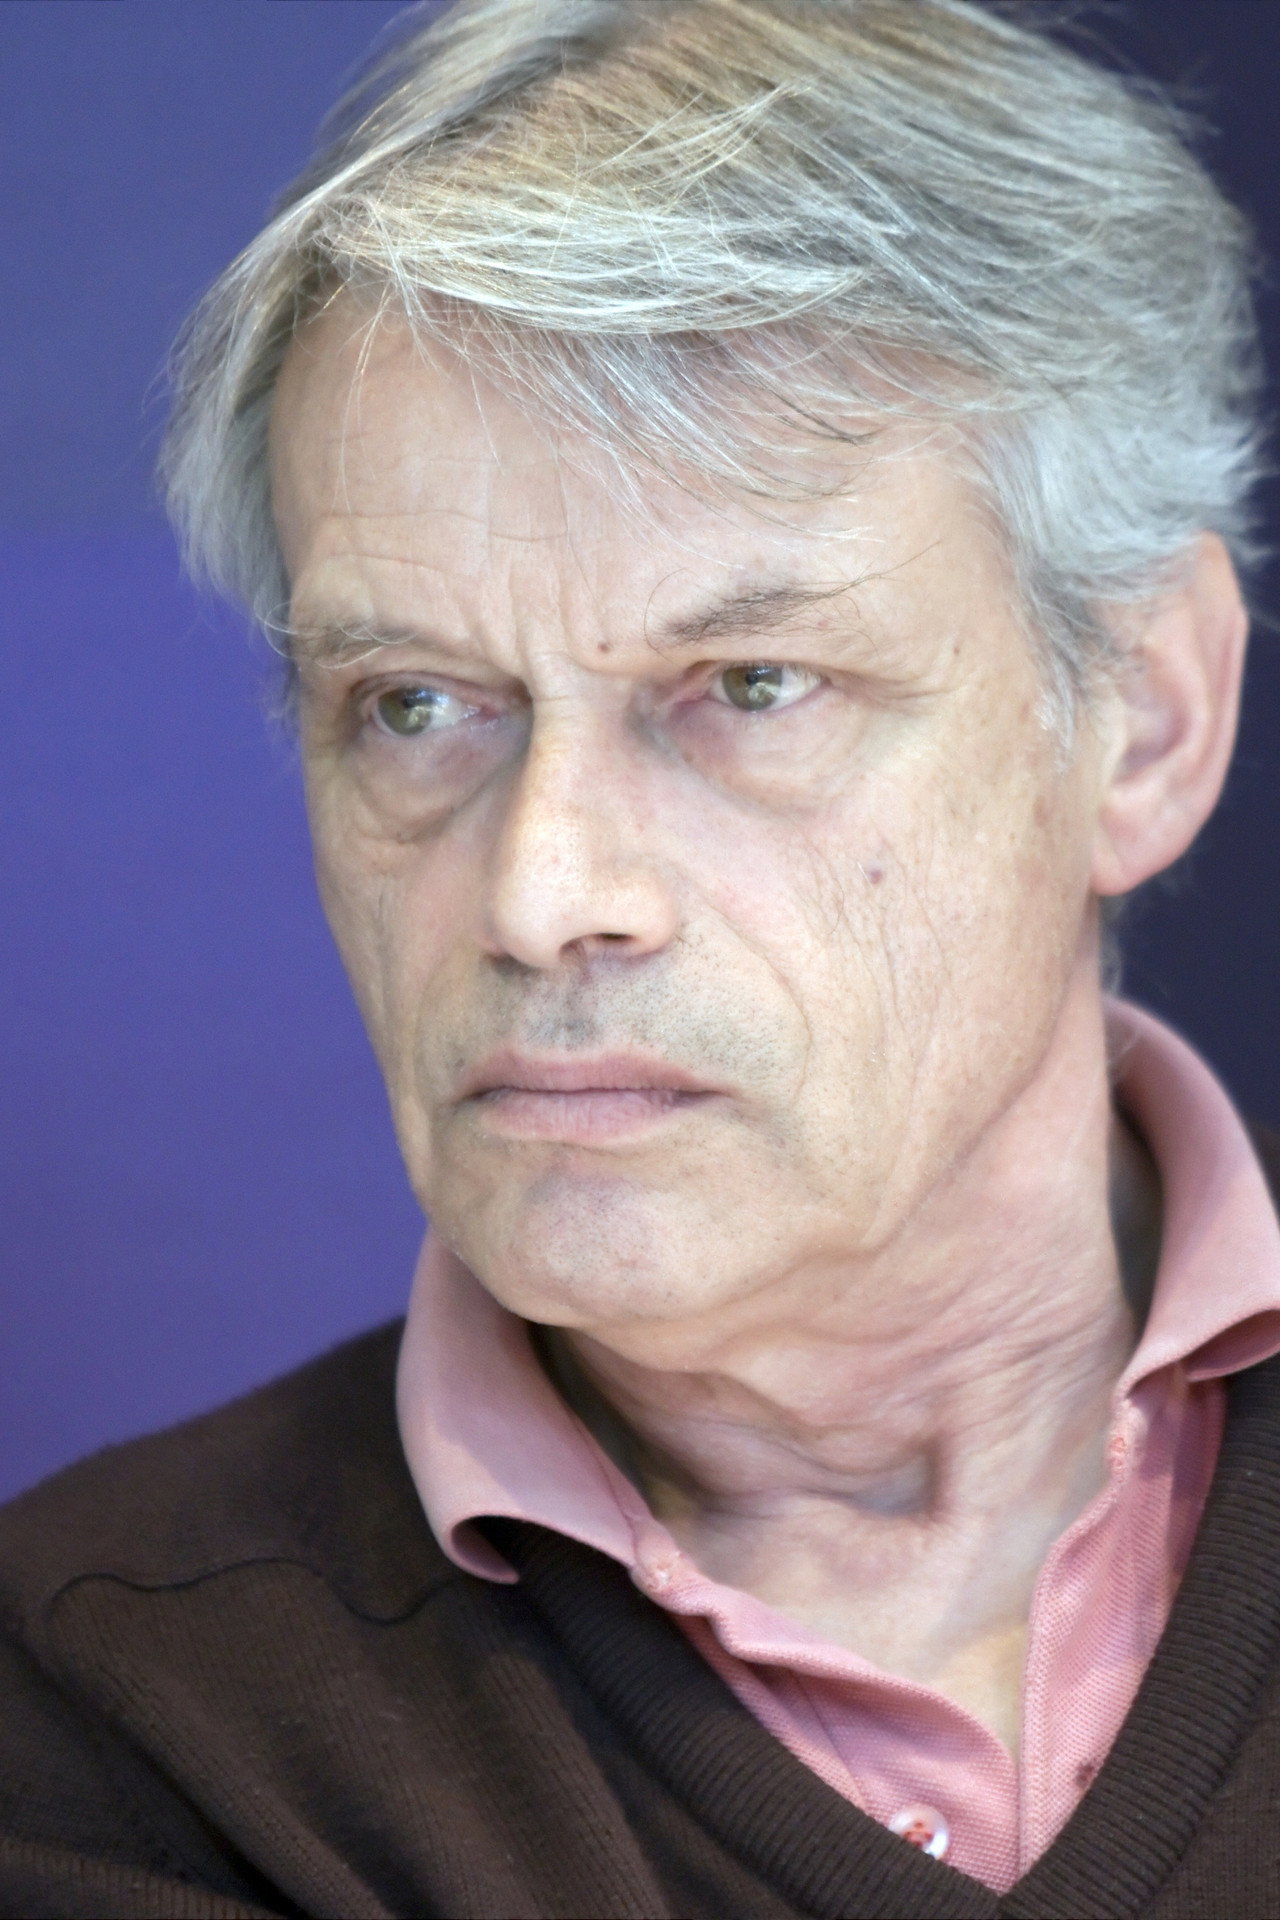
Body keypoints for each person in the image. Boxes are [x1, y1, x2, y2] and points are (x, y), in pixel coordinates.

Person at [3, 1, 1278, 1914]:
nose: (541, 894)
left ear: (1148, 721)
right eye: (417, 704)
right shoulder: (111, 1714)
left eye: (748, 686)